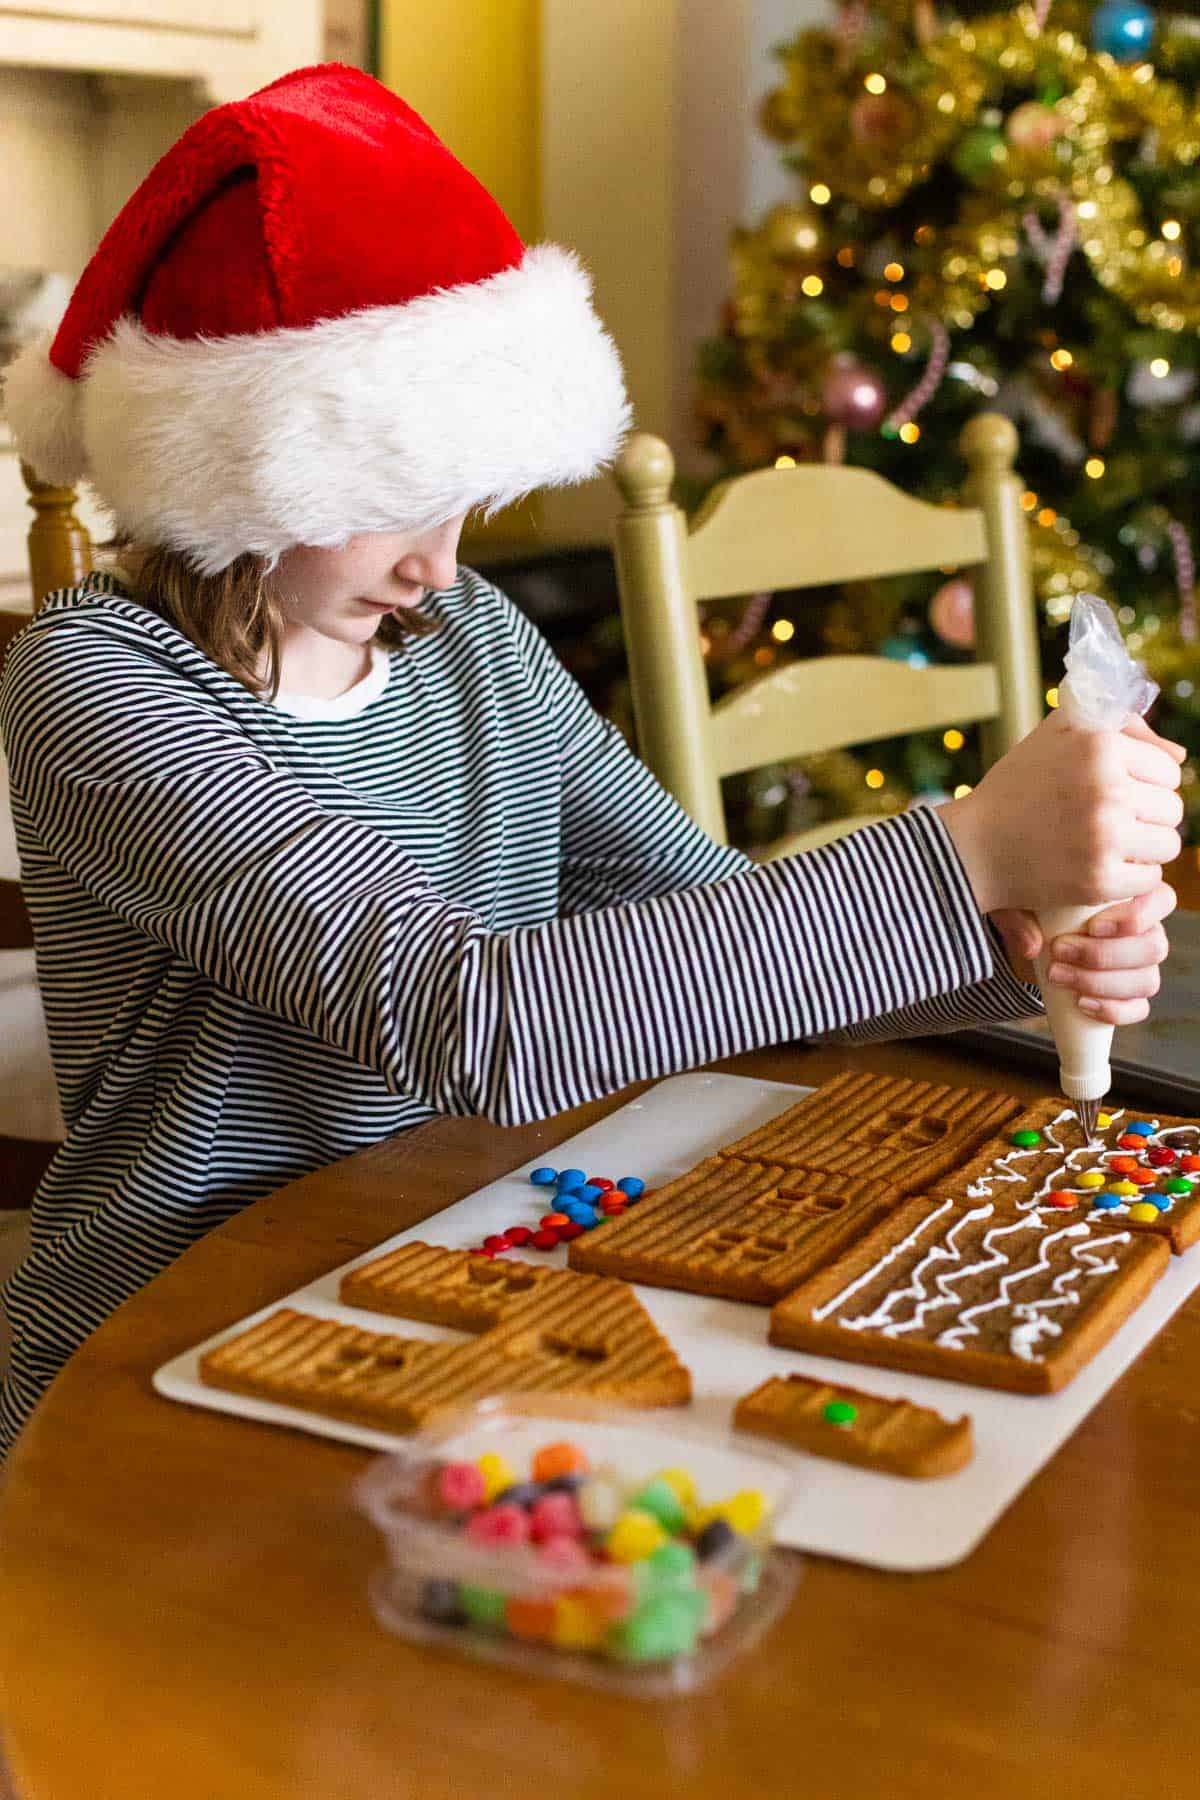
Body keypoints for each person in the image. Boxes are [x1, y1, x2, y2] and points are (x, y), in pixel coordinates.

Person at [0, 65, 1181, 1458]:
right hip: (174, 1339)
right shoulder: (94, 679)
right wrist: (967, 847)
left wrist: (1012, 933)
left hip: (458, 1263)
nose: (440, 561)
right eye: (391, 495)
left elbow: (708, 935)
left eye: (465, 494)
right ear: (232, 471)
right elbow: (471, 1015)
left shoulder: (467, 638)